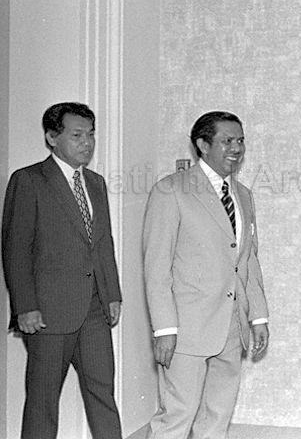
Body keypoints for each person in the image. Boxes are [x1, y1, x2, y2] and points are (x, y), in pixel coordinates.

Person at [142, 111, 269, 438]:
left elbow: (248, 260)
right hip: (186, 328)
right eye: (228, 141)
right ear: (202, 144)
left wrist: (258, 318)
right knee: (177, 416)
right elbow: (157, 267)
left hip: (231, 325)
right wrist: (165, 329)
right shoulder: (171, 191)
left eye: (241, 140)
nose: (237, 148)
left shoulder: (243, 195)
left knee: (218, 416)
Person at [1, 102, 122, 439]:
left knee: (103, 396)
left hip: (95, 310)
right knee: (42, 403)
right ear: (52, 138)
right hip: (47, 314)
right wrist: (25, 306)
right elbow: (15, 249)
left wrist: (112, 295)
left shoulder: (95, 183)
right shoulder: (28, 180)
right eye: (77, 135)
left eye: (91, 135)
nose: (87, 142)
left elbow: (102, 244)